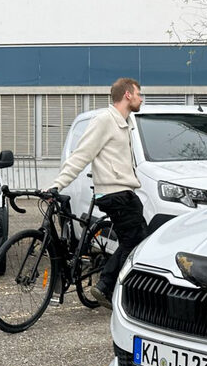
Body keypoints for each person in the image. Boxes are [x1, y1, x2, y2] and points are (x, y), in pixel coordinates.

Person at [49, 77, 147, 309]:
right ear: (127, 95)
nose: (141, 98)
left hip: (124, 192)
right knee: (135, 241)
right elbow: (81, 154)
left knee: (132, 239)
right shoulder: (105, 120)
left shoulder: (125, 122)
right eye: (139, 94)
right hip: (116, 194)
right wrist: (57, 184)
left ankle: (114, 287)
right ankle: (106, 286)